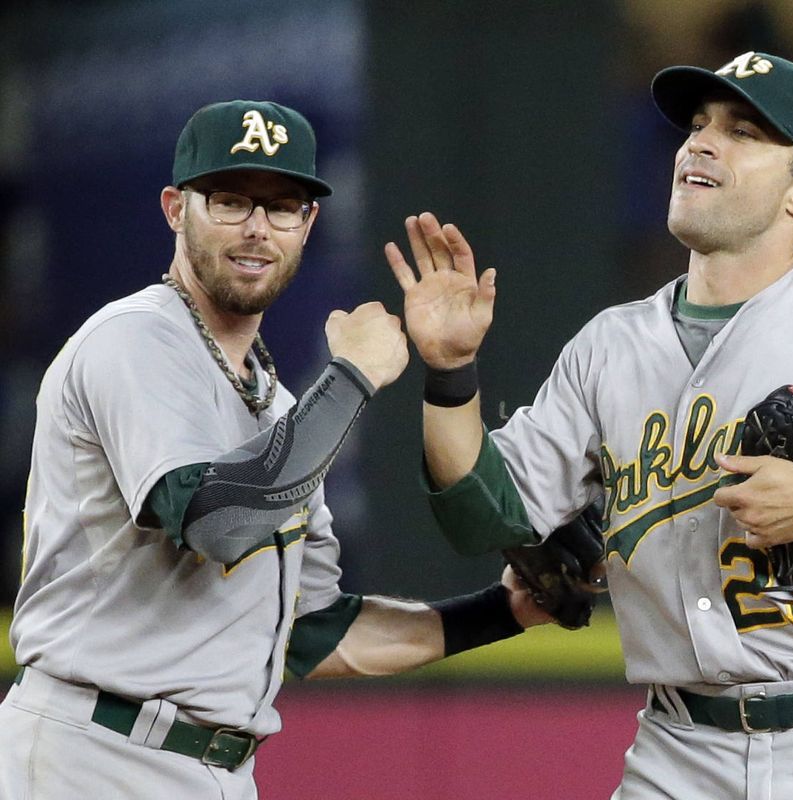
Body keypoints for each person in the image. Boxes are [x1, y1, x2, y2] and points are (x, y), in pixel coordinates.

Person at [387, 51, 793, 799]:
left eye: (744, 132)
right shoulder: (610, 345)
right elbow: (481, 514)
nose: (701, 142)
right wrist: (452, 373)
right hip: (677, 751)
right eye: (698, 125)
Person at [0, 100, 550, 800]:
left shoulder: (281, 410)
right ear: (176, 208)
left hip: (211, 769)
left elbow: (315, 635)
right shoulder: (134, 339)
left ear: (308, 224)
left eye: (283, 206)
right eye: (230, 201)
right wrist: (351, 378)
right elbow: (218, 521)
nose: (258, 228)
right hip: (91, 755)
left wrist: (502, 612)